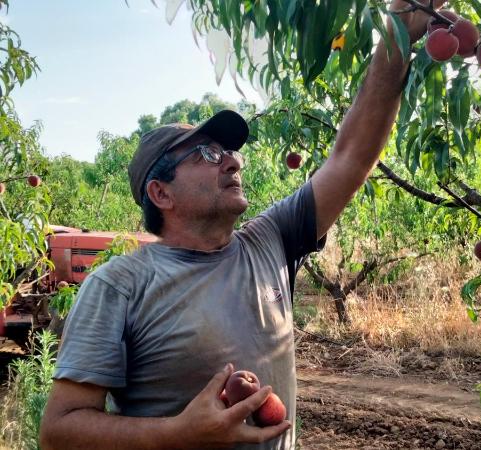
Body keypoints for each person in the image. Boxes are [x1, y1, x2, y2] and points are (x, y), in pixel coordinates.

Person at [40, 1, 442, 449]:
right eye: (207, 154)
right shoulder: (120, 285)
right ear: (161, 193)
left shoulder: (269, 240)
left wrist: (398, 37)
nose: (231, 160)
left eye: (228, 151)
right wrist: (178, 434)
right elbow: (59, 430)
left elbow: (351, 157)